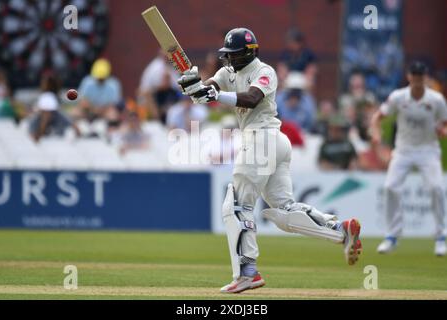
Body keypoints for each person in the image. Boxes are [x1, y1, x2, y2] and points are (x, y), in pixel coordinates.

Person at [177, 28, 362, 294]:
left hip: (263, 140)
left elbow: (251, 99)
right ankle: (340, 231)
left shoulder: (265, 72)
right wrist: (192, 85)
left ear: (249, 53)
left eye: (234, 55)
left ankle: (247, 273)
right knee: (284, 212)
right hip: (272, 143)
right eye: (227, 55)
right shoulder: (227, 72)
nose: (229, 59)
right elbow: (207, 92)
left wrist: (212, 95)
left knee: (237, 205)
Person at [370, 61, 447, 256]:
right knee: (390, 187)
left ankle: (440, 237)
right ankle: (391, 236)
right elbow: (378, 117)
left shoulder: (436, 100)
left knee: (436, 188)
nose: (418, 80)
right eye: (415, 75)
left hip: (428, 150)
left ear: (425, 77)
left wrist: (442, 131)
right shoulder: (398, 97)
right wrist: (376, 134)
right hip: (403, 150)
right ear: (409, 76)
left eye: (421, 76)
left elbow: (444, 124)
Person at [29, 73, 80, 142]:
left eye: (43, 82)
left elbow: (47, 115)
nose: (41, 84)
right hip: (45, 130)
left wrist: (39, 134)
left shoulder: (47, 96)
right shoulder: (49, 96)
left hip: (45, 130)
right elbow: (47, 114)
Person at [77, 58, 123, 123]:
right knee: (76, 112)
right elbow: (82, 101)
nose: (100, 79)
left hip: (105, 111)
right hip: (89, 111)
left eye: (102, 78)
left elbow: (114, 104)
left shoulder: (114, 84)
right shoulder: (87, 82)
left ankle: (110, 130)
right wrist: (93, 109)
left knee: (113, 115)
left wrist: (101, 110)